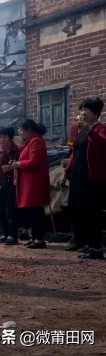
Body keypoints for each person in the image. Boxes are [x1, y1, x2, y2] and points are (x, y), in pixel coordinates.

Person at [63, 98, 106, 258]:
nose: (82, 113)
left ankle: (96, 248)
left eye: (86, 110)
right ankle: (88, 244)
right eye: (81, 110)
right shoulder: (80, 131)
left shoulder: (100, 130)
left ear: (95, 113)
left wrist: (89, 131)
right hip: (78, 176)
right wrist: (66, 171)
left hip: (93, 178)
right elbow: (75, 153)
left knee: (92, 212)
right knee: (79, 210)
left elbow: (103, 145)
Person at [9, 119, 50, 249]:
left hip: (34, 182)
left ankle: (39, 239)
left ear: (29, 129)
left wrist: (18, 164)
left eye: (21, 130)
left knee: (36, 211)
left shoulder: (36, 141)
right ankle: (35, 237)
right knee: (32, 211)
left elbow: (34, 162)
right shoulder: (30, 142)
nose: (20, 133)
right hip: (29, 181)